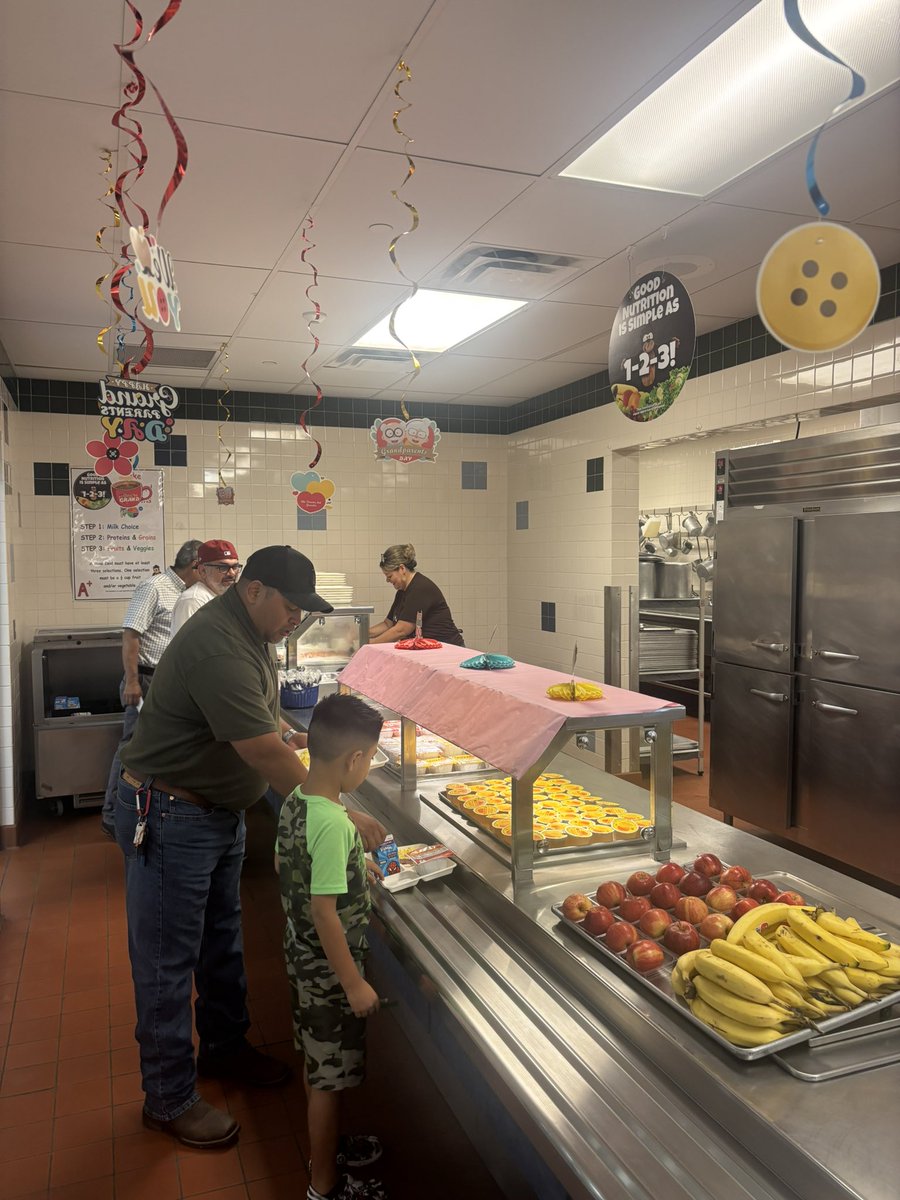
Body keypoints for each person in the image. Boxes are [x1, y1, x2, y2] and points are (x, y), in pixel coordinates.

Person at [115, 545, 387, 1150]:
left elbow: (265, 722)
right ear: (255, 590)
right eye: (292, 607)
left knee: (220, 946)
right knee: (167, 963)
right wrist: (338, 806)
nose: (297, 620)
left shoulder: (251, 635)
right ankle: (167, 1098)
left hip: (215, 814)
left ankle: (224, 1049)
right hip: (171, 813)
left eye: (305, 612)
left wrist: (301, 733)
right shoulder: (219, 643)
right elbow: (263, 751)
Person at [278, 694, 387, 1200]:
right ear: (354, 761)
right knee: (326, 1080)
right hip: (328, 974)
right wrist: (354, 982)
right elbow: (324, 913)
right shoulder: (334, 823)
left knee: (319, 1067)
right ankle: (323, 1185)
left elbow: (290, 869)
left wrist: (350, 872)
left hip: (300, 960)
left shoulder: (297, 802)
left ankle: (330, 1148)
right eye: (370, 758)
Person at [100, 539, 201, 839]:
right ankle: (111, 812)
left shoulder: (192, 594)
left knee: (157, 746)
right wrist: (132, 681)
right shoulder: (155, 588)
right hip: (146, 678)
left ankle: (148, 807)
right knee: (132, 745)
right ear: (195, 565)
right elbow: (131, 636)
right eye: (207, 565)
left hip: (171, 680)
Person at [368, 543, 463, 646]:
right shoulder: (402, 591)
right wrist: (361, 634)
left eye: (389, 576)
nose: (387, 580)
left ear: (402, 569)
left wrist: (368, 644)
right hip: (427, 648)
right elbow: (388, 624)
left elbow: (401, 630)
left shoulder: (420, 588)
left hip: (446, 648)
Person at [170, 538, 241, 635]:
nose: (232, 573)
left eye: (235, 567)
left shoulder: (227, 598)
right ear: (202, 571)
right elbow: (188, 647)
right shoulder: (193, 600)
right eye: (223, 568)